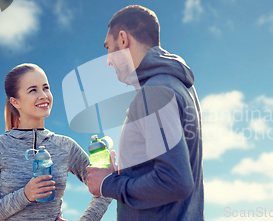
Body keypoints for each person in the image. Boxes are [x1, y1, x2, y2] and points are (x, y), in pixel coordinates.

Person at [86, 5, 204, 220]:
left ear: (123, 39)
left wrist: (107, 183)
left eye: (108, 47)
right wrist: (124, 172)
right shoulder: (177, 85)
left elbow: (175, 181)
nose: (108, 60)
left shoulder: (154, 93)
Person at [0, 64, 112, 221]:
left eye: (46, 88)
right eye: (33, 90)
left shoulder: (66, 146)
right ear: (15, 102)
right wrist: (26, 194)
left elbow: (105, 185)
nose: (43, 95)